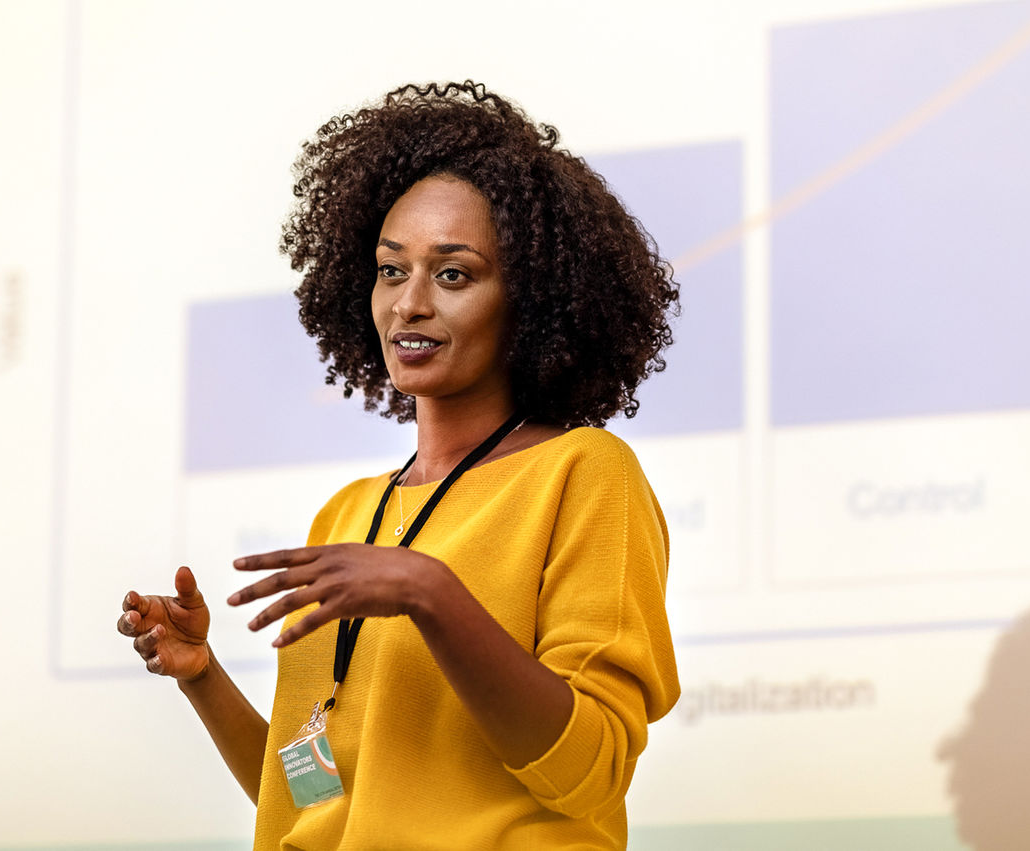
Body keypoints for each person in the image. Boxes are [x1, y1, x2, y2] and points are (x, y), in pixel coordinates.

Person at [117, 80, 681, 850]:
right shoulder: (349, 514)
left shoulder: (585, 473)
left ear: (532, 300)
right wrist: (201, 674)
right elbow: (312, 802)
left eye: (453, 274)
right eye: (391, 270)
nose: (409, 304)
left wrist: (430, 592)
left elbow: (588, 771)